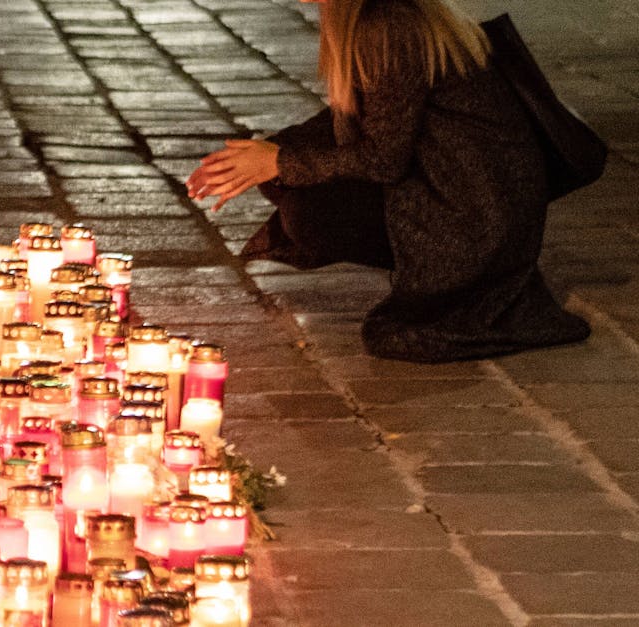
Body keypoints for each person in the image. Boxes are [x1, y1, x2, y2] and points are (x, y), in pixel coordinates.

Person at [186, 0, 590, 364]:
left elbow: (383, 159)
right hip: (470, 196)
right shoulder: (371, 16)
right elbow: (360, 119)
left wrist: (278, 161)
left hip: (477, 217)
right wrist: (263, 155)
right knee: (289, 182)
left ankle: (461, 288)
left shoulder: (387, 26)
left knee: (312, 213)